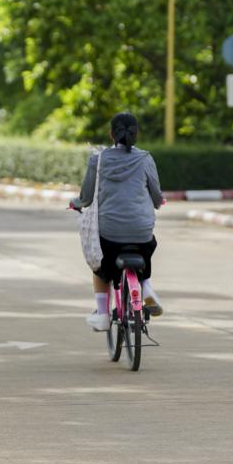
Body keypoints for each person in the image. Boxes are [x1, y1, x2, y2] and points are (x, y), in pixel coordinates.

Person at [72, 112, 164, 331]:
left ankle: (103, 314)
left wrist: (75, 203)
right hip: (141, 232)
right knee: (147, 247)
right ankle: (147, 288)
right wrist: (158, 202)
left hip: (109, 234)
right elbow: (156, 196)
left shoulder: (98, 159)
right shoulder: (145, 158)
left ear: (111, 134)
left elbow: (86, 196)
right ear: (136, 134)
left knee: (100, 266)